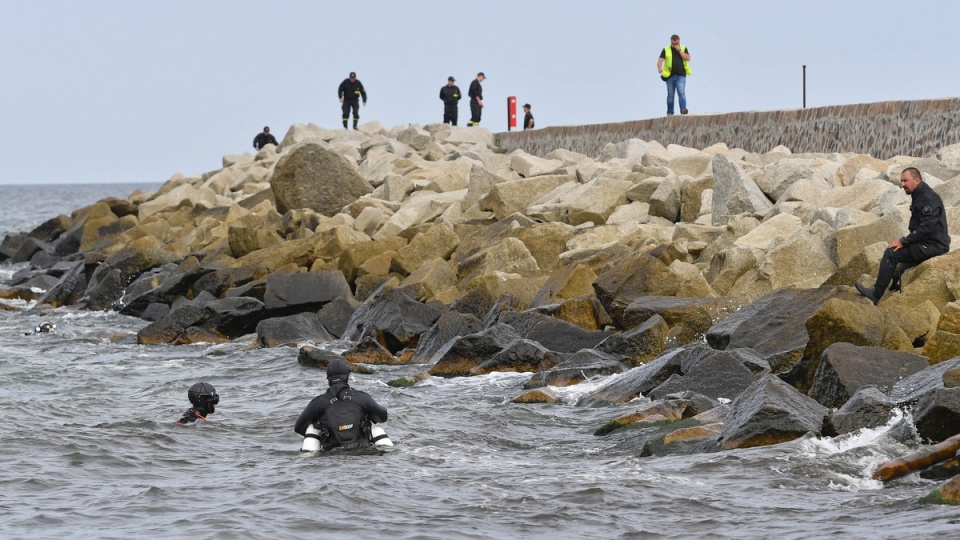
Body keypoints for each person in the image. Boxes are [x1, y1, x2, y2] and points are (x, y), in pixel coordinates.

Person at [856, 167, 950, 305]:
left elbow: (927, 228)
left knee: (892, 253)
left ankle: (875, 294)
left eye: (905, 181)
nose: (902, 184)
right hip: (928, 242)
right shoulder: (920, 194)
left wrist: (904, 241)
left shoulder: (928, 198)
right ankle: (896, 285)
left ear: (917, 180)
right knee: (902, 266)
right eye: (901, 181)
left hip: (934, 245)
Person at [294, 358, 388, 452]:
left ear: (328, 378)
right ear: (347, 376)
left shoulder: (319, 402)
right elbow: (383, 417)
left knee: (312, 429)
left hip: (331, 453)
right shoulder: (362, 398)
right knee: (376, 428)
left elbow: (298, 427)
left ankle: (307, 457)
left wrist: (321, 428)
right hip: (362, 452)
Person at [657, 34, 691, 116]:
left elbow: (688, 58)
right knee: (670, 95)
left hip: (681, 75)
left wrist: (679, 50)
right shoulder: (666, 49)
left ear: (679, 42)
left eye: (676, 43)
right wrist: (659, 68)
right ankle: (670, 112)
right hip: (670, 76)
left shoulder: (683, 48)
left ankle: (683, 109)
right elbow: (660, 60)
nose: (675, 45)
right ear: (671, 42)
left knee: (681, 92)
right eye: (673, 44)